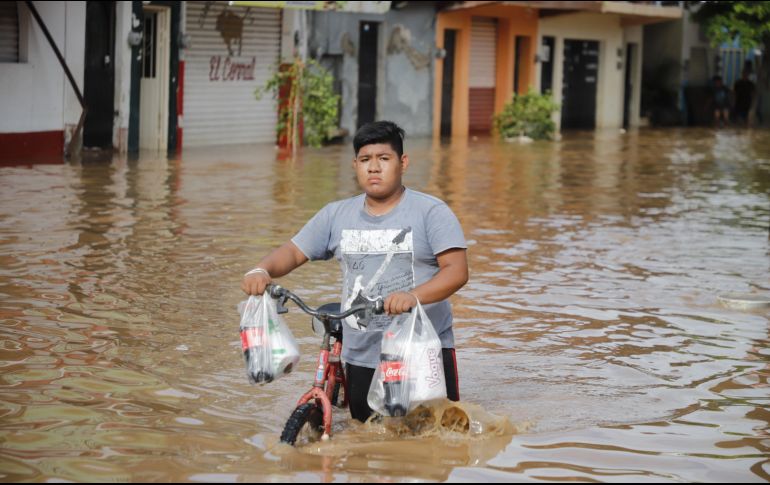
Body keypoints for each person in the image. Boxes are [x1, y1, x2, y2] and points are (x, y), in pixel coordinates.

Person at [241, 121, 469, 422]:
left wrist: (413, 297)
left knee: (434, 440)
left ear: (403, 163)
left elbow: (456, 271)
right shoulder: (336, 214)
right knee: (365, 436)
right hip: (361, 352)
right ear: (355, 165)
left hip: (422, 350)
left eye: (384, 159)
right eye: (365, 160)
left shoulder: (431, 212)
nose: (374, 168)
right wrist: (261, 269)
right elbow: (294, 251)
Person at [733, 63, 756, 127]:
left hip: (747, 101)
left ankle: (746, 125)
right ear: (742, 74)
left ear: (748, 75)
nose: (745, 75)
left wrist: (753, 102)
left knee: (746, 116)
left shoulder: (751, 84)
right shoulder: (738, 83)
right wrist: (734, 101)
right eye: (744, 74)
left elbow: (753, 93)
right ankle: (739, 125)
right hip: (739, 101)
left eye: (746, 74)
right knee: (738, 115)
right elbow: (734, 93)